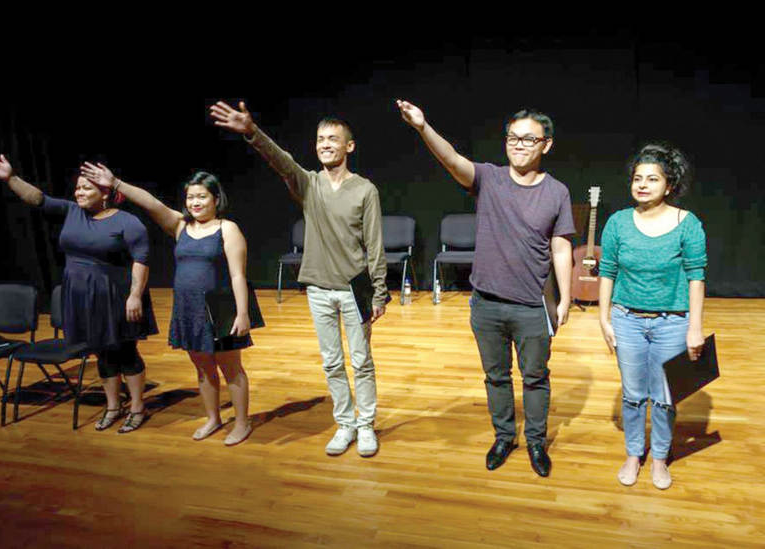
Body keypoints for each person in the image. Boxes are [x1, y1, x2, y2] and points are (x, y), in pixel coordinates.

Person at [396, 100, 574, 477]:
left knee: (536, 377)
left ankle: (537, 441)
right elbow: (452, 160)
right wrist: (422, 127)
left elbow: (560, 246)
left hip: (531, 306)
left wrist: (566, 298)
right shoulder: (489, 178)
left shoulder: (557, 192)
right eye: (513, 137)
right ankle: (504, 436)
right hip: (486, 304)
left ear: (547, 144)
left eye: (529, 139)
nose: (519, 145)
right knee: (496, 376)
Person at [210, 101, 388, 458]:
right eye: (320, 139)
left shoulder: (365, 190)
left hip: (355, 291)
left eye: (332, 139)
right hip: (319, 290)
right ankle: (345, 424)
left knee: (361, 361)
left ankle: (366, 425)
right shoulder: (309, 184)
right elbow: (282, 161)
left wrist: (380, 293)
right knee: (332, 362)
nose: (324, 144)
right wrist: (252, 132)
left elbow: (375, 246)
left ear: (348, 146)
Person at [0, 153, 158, 433]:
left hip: (114, 295)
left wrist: (135, 295)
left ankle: (137, 407)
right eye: (78, 188)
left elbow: (141, 260)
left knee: (124, 351)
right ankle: (112, 406)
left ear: (106, 193)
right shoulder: (72, 211)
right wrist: (11, 178)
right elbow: (37, 199)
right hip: (82, 295)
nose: (79, 192)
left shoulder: (128, 222)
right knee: (101, 352)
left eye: (87, 188)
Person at [80, 163, 254, 446]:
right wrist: (116, 184)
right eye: (190, 197)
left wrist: (243, 313)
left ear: (215, 199)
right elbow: (151, 203)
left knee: (231, 369)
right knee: (202, 369)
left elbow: (238, 275)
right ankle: (213, 418)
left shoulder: (228, 229)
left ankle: (243, 423)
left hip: (221, 310)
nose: (195, 202)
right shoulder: (180, 226)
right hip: (188, 309)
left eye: (201, 197)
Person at [598, 143, 706, 490]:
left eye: (652, 179)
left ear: (669, 185)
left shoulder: (687, 224)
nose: (642, 184)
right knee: (632, 394)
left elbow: (696, 276)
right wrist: (604, 317)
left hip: (671, 322)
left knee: (663, 397)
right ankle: (633, 453)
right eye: (637, 178)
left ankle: (659, 457)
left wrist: (695, 328)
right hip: (627, 318)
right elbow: (608, 270)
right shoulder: (617, 222)